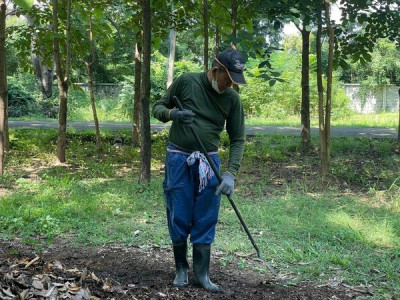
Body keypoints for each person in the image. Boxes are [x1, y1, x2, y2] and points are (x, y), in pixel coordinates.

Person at [152, 49, 246, 293]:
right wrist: (173, 114)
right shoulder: (186, 82)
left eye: (235, 82)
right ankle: (181, 268)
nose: (230, 86)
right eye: (228, 79)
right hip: (178, 159)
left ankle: (202, 274)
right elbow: (158, 106)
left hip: (209, 162)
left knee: (206, 215)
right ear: (215, 71)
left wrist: (230, 174)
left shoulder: (232, 99)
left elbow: (238, 139)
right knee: (179, 213)